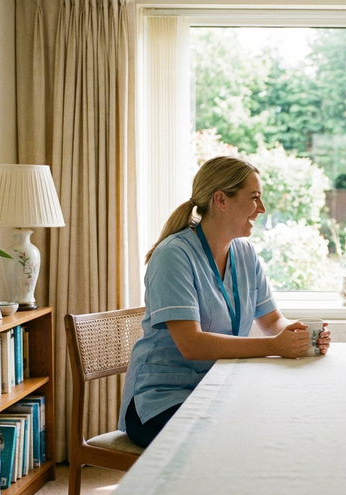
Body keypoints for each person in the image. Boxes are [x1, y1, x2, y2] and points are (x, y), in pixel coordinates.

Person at [118, 156, 331, 447]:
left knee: (285, 418)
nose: (262, 208)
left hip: (218, 388)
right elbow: (192, 344)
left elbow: (272, 321)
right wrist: (274, 346)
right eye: (254, 197)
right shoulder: (173, 256)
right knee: (238, 439)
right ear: (221, 200)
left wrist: (300, 334)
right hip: (161, 399)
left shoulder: (245, 254)